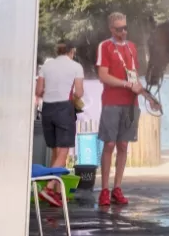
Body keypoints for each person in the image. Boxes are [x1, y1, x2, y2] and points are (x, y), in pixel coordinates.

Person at [96, 12, 145, 206]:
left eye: (125, 28)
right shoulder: (105, 46)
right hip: (111, 101)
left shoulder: (132, 47)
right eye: (119, 29)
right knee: (109, 144)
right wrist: (126, 84)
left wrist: (140, 88)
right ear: (111, 29)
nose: (123, 32)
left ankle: (117, 187)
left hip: (131, 102)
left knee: (123, 145)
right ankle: (105, 189)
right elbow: (103, 76)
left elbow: (134, 74)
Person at [34, 40, 84, 207]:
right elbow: (79, 92)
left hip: (47, 109)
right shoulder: (76, 66)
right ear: (72, 51)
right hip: (64, 108)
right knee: (64, 151)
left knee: (56, 150)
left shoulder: (46, 67)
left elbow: (38, 91)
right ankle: (48, 187)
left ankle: (55, 191)